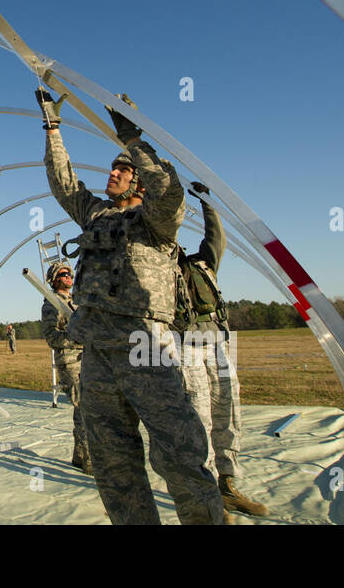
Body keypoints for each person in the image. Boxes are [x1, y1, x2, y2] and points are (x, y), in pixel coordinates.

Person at [37, 88, 223, 525]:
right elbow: (63, 182)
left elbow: (169, 190)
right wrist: (52, 128)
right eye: (114, 170)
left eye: (121, 171)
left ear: (138, 179)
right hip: (96, 351)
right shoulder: (98, 216)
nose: (112, 176)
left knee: (179, 456)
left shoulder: (156, 223)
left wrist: (132, 140)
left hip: (145, 346)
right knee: (113, 463)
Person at [177, 182, 268, 517]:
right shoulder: (161, 273)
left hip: (218, 345)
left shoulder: (203, 264)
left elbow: (217, 237)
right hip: (185, 350)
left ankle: (228, 485)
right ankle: (206, 494)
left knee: (228, 414)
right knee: (198, 418)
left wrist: (206, 203)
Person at [40, 260, 90, 473]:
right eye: (62, 274)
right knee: (85, 408)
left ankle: (79, 455)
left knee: (85, 408)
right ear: (54, 280)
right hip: (70, 362)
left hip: (86, 358)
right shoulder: (52, 303)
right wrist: (76, 338)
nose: (68, 277)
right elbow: (51, 336)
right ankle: (89, 459)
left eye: (69, 273)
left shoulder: (75, 300)